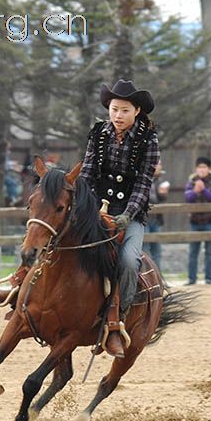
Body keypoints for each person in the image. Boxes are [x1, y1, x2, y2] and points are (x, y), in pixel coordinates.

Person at [78, 79, 160, 358]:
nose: (118, 115)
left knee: (127, 261)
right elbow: (87, 173)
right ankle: (21, 292)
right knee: (60, 242)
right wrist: (84, 205)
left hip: (131, 214)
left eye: (124, 110)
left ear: (136, 111)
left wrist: (126, 214)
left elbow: (143, 184)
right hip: (95, 210)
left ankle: (117, 320)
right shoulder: (98, 134)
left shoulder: (149, 140)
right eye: (114, 109)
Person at [184, 156, 211, 285]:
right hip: (195, 221)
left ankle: (209, 279)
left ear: (209, 169)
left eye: (204, 167)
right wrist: (195, 190)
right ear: (196, 169)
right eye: (199, 167)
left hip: (210, 221)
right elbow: (187, 198)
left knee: (210, 251)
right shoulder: (191, 181)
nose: (201, 169)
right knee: (193, 251)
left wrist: (203, 190)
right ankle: (191, 279)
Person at [144, 161, 168, 269]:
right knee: (145, 251)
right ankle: (147, 277)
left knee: (156, 251)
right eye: (156, 164)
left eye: (159, 164)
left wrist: (163, 194)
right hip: (144, 219)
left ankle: (158, 278)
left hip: (156, 219)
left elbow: (160, 200)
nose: (158, 166)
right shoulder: (143, 179)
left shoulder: (160, 181)